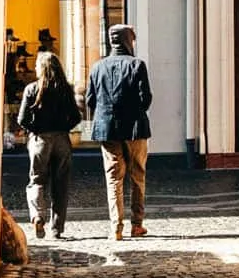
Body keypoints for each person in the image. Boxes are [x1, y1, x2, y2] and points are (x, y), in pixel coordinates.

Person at [84, 23, 153, 240]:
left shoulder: (97, 67)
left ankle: (116, 227)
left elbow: (89, 100)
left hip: (108, 130)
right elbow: (146, 98)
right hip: (135, 129)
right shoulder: (137, 65)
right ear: (128, 41)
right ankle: (137, 224)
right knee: (137, 176)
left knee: (114, 179)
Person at [16, 50, 81, 240]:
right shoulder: (65, 89)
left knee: (36, 180)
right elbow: (76, 117)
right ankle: (56, 229)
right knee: (60, 185)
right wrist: (63, 128)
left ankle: (37, 216)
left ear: (41, 69)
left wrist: (36, 129)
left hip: (40, 140)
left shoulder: (32, 89)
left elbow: (22, 119)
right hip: (61, 140)